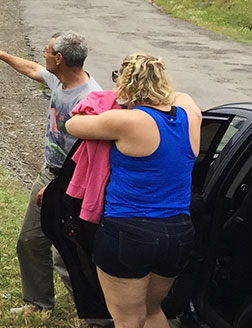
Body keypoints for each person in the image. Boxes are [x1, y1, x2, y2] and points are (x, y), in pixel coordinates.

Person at [65, 53, 201, 328]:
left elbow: (73, 124)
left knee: (128, 319)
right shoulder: (190, 114)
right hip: (177, 233)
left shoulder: (127, 121)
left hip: (128, 233)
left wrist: (120, 97)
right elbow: (179, 95)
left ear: (126, 84)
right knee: (152, 311)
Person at [0, 31, 103, 315]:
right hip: (50, 174)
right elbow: (33, 69)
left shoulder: (90, 100)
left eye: (47, 51)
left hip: (73, 183)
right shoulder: (61, 79)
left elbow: (91, 158)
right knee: (31, 241)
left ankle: (99, 315)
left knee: (69, 253)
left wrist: (60, 188)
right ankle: (38, 304)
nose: (43, 56)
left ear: (59, 58)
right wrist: (0, 54)